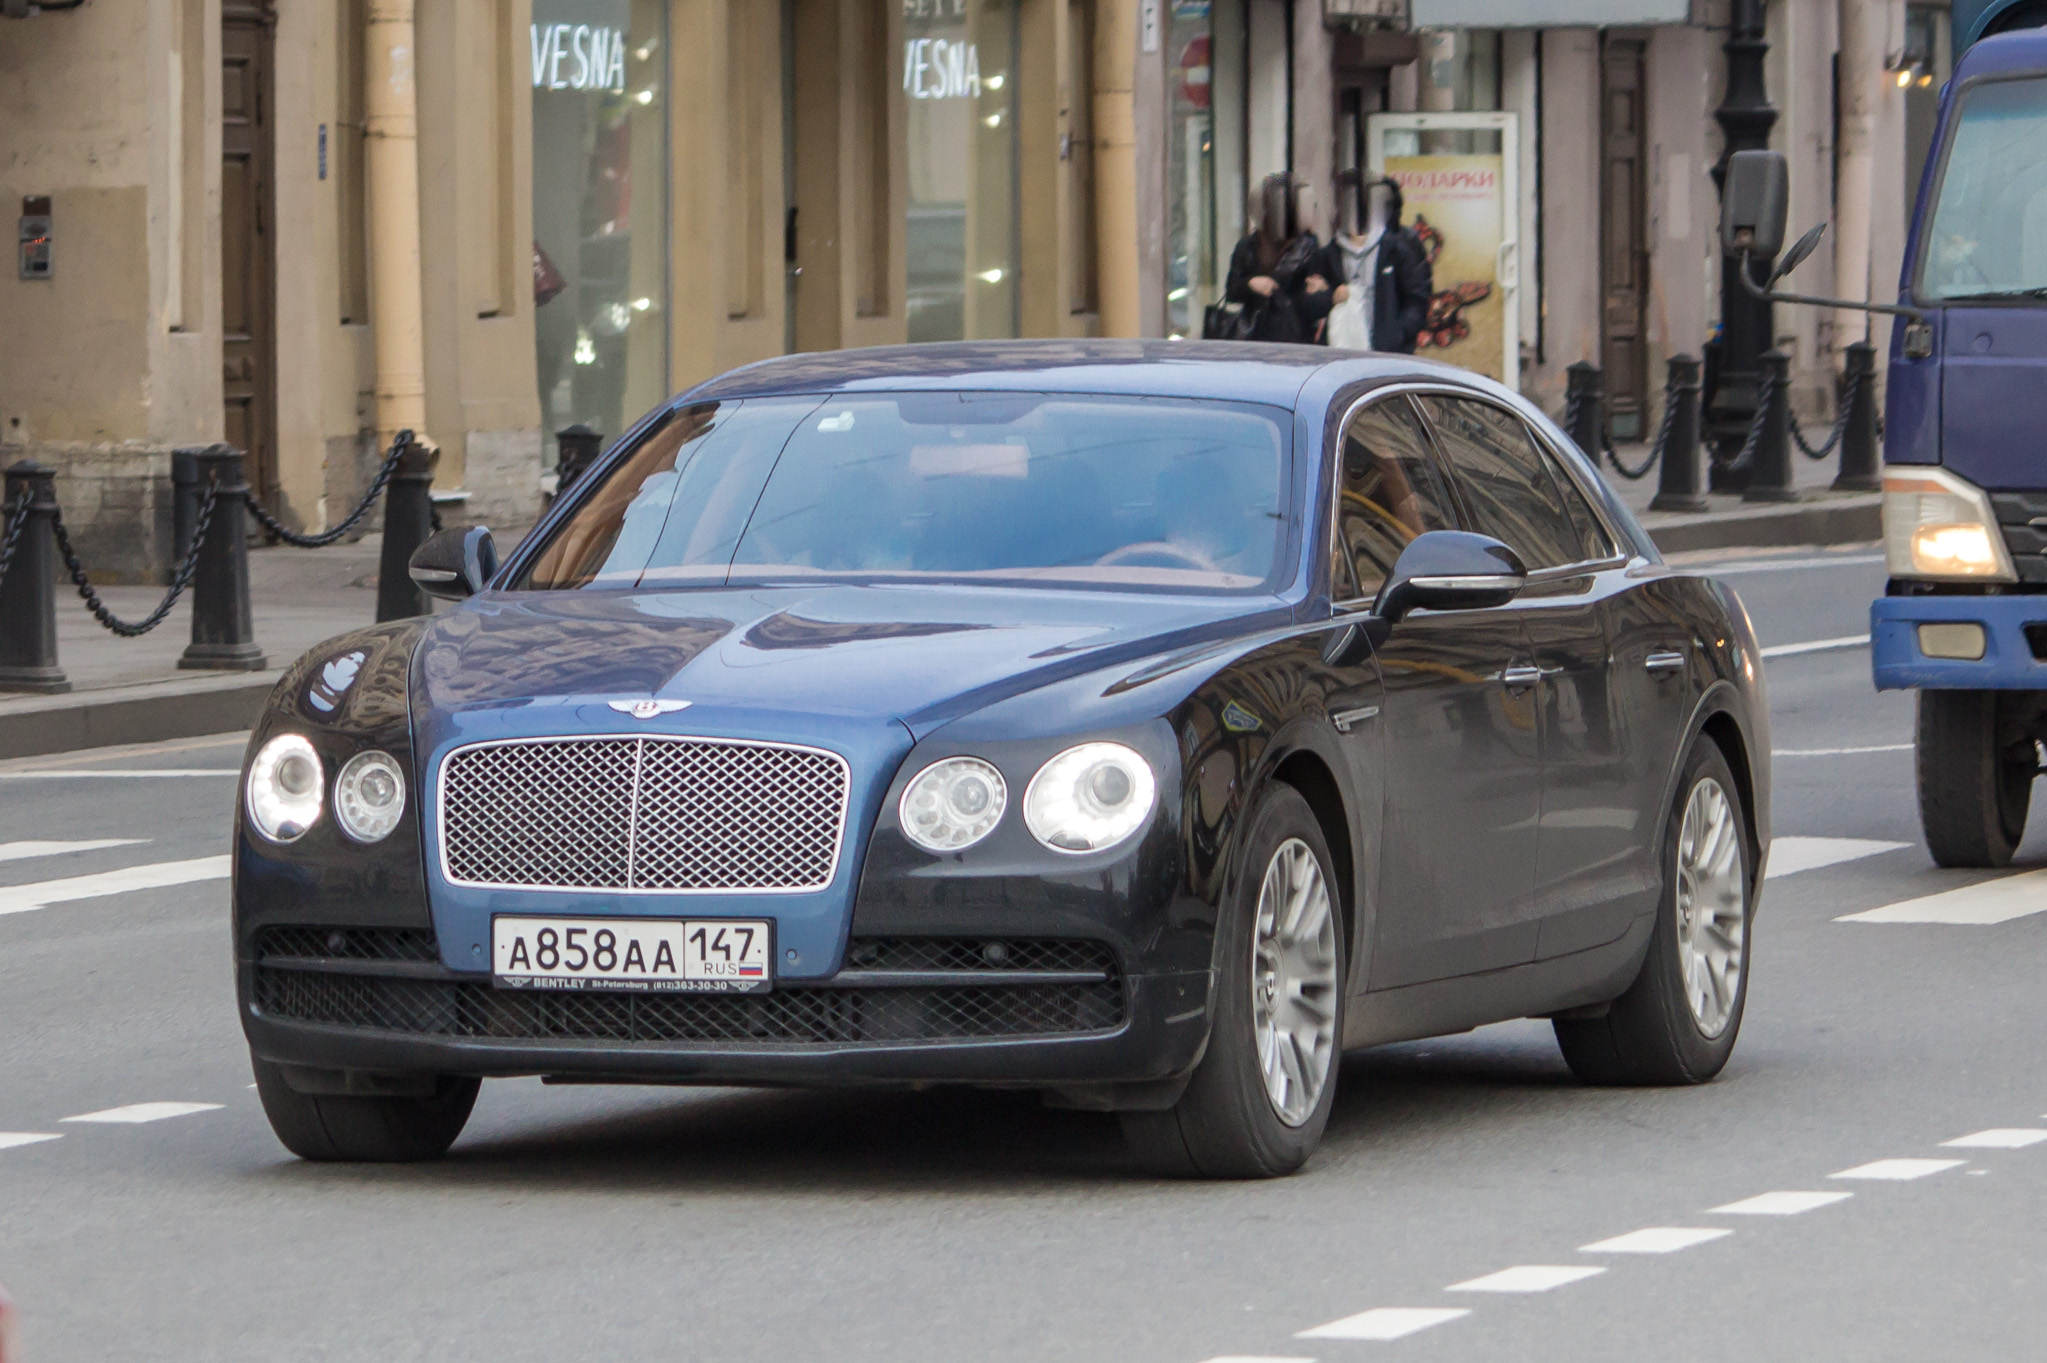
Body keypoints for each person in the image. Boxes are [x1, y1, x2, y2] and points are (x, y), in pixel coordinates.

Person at [1319, 171, 1432, 353]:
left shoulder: (1399, 246)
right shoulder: (1330, 252)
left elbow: (1418, 298)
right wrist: (1331, 296)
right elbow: (1309, 301)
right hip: (1341, 352)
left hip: (1388, 354)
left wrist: (1398, 335)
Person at [1219, 173, 1332, 344]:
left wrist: (1317, 290)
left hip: (1296, 338)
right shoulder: (1248, 246)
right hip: (1254, 337)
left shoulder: (1308, 246)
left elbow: (1320, 304)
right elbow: (1232, 290)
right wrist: (1251, 284)